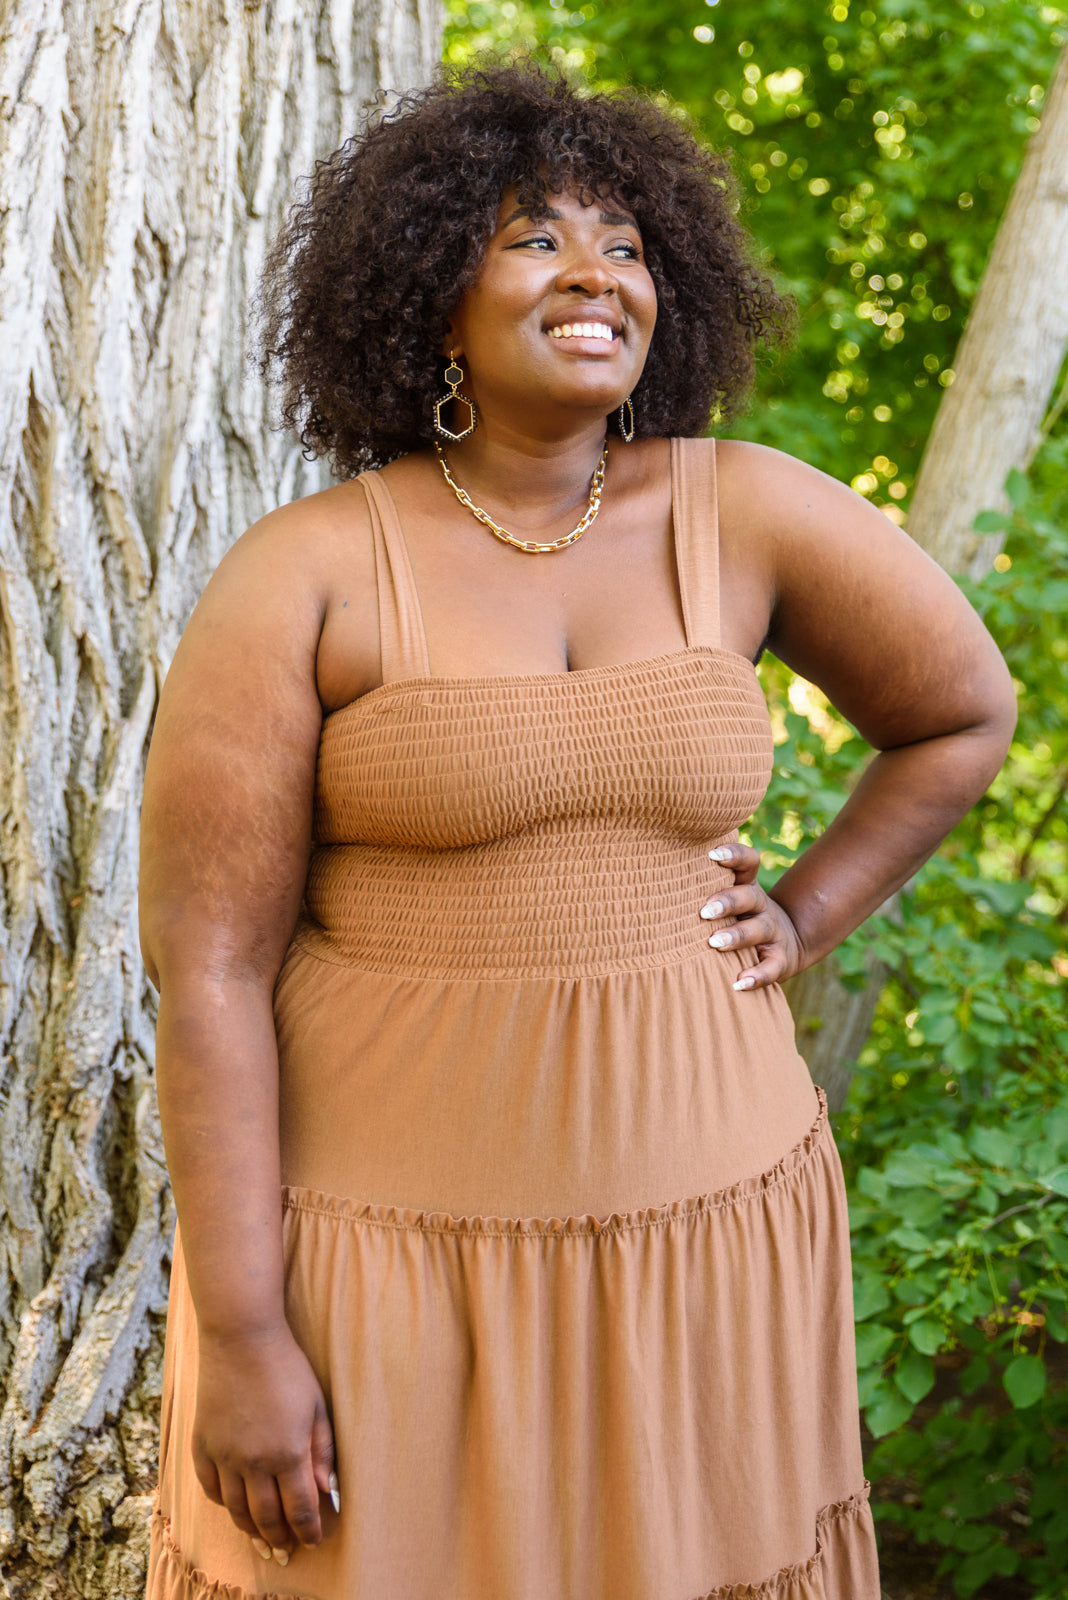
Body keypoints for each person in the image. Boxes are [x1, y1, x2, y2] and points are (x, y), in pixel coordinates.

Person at [140, 61, 1016, 1600]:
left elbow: (959, 717)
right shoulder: (306, 570)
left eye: (625, 243)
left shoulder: (747, 512)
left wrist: (807, 913)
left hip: (707, 1226)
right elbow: (210, 969)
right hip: (387, 1254)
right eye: (536, 238)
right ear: (433, 295)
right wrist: (246, 1327)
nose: (596, 271)